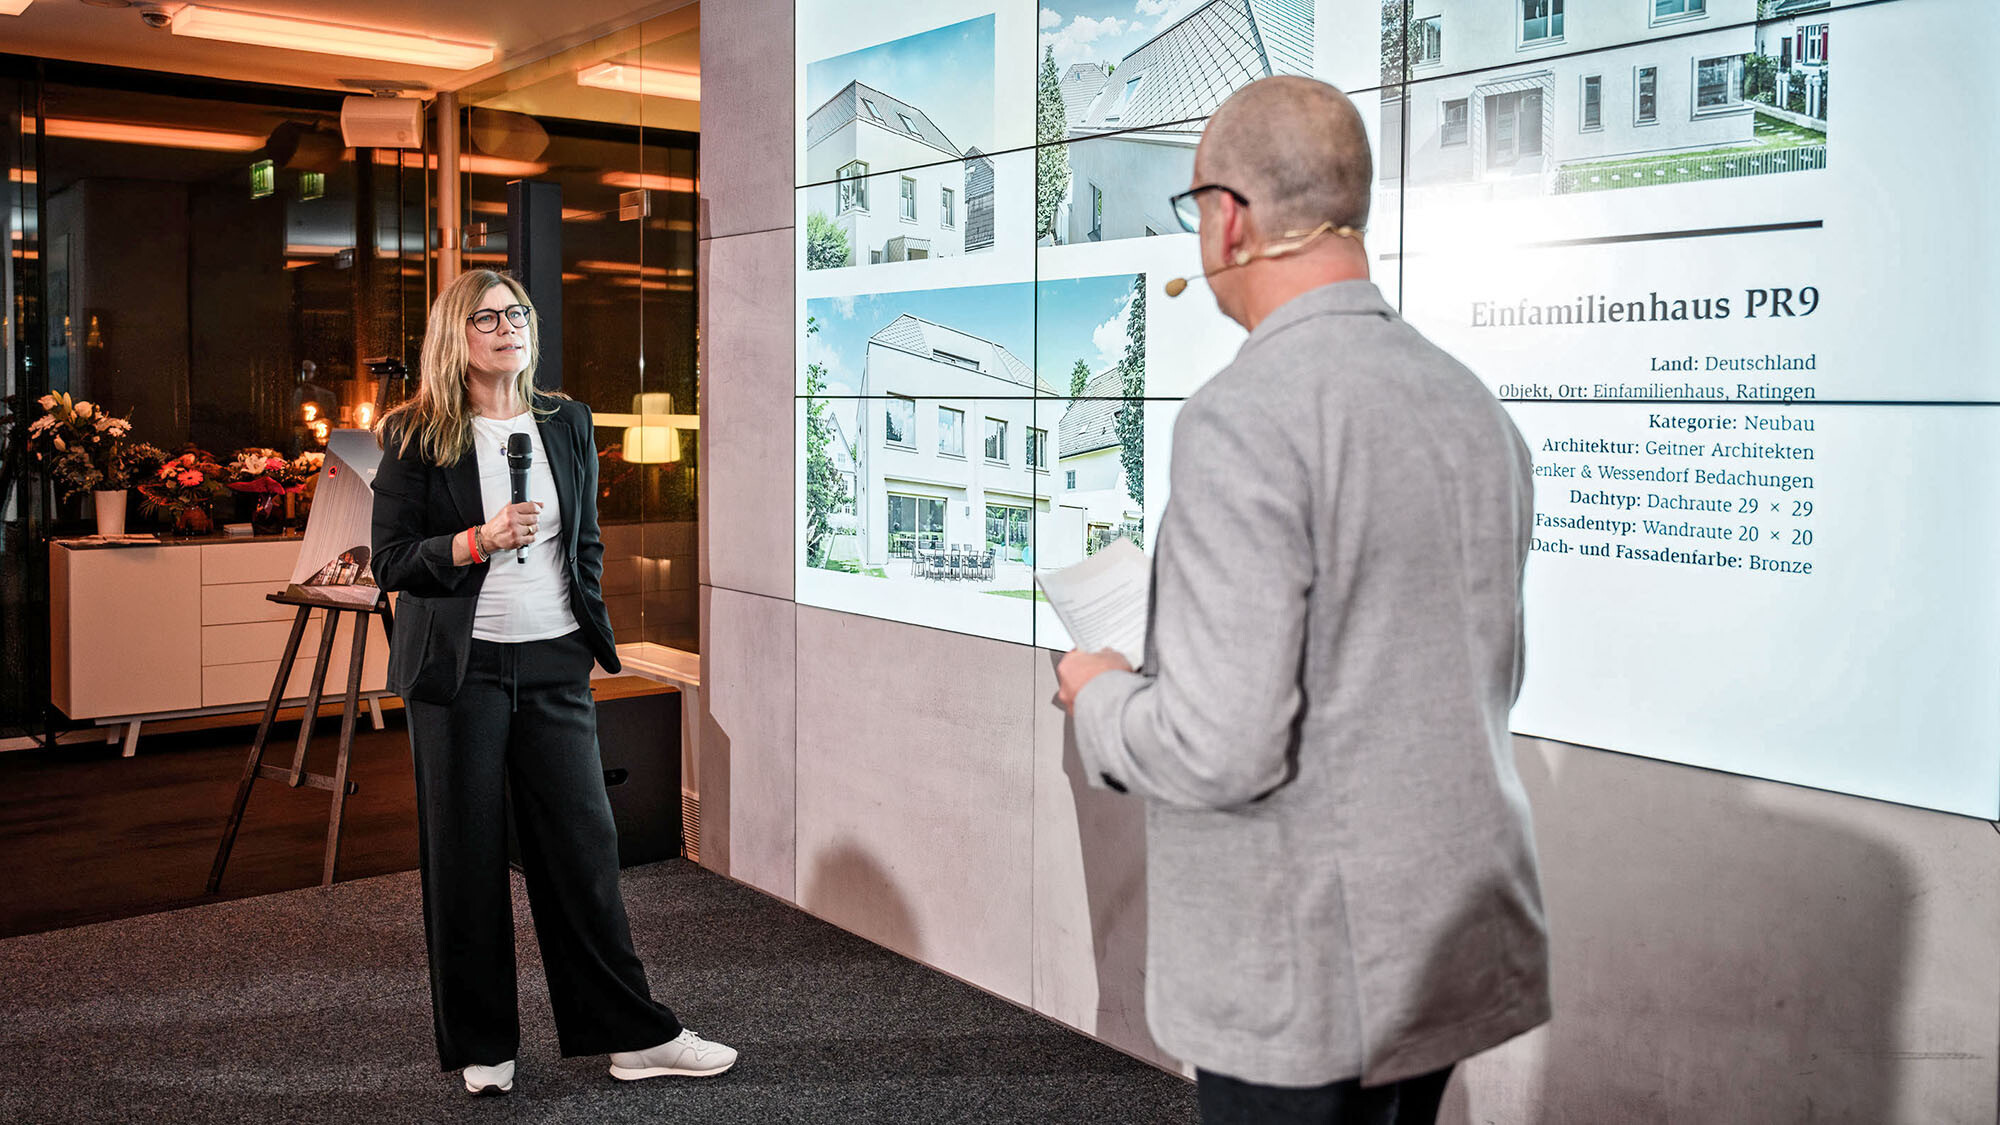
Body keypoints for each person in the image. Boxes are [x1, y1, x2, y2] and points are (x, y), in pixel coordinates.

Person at [1056, 78, 1551, 1125]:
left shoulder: (1242, 417)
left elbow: (1217, 747)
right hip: (1448, 935)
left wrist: (1098, 693)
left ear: (1226, 216)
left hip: (1304, 964)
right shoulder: (1469, 403)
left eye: (1193, 212)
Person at [371, 269, 736, 1096]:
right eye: (489, 317)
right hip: (459, 672)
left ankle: (632, 1035)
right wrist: (476, 540)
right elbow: (392, 560)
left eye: (518, 314)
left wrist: (584, 630)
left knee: (583, 851)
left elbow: (588, 542)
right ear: (455, 337)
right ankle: (485, 1042)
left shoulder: (566, 421)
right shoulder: (415, 434)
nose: (509, 327)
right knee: (464, 859)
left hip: (553, 662)